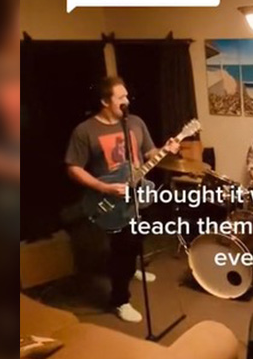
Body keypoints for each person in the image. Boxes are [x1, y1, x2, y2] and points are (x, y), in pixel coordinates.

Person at [65, 76, 180, 322]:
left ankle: (133, 268)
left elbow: (149, 153)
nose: (127, 101)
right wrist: (103, 188)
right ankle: (120, 300)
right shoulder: (85, 131)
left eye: (127, 96)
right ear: (105, 101)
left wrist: (165, 149)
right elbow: (73, 168)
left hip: (139, 193)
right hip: (111, 198)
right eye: (121, 98)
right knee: (122, 250)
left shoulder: (136, 122)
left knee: (139, 237)